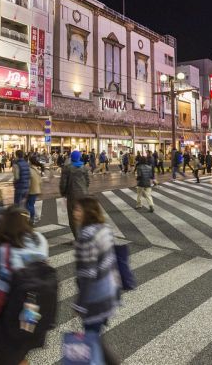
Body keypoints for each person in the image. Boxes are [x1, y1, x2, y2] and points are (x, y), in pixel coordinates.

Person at [0, 206, 51, 364]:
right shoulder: (40, 241)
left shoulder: (2, 252)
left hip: (9, 323)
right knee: (21, 354)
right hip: (33, 317)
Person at [72, 197, 121, 364]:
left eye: (78, 209)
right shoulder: (104, 229)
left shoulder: (86, 236)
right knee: (94, 338)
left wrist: (80, 304)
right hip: (108, 293)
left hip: (95, 299)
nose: (74, 213)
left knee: (91, 340)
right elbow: (112, 263)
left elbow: (88, 274)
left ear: (88, 212)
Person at [60, 149, 91, 238]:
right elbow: (88, 181)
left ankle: (78, 238)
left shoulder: (67, 168)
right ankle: (85, 236)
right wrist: (84, 189)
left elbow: (63, 183)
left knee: (73, 218)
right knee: (83, 216)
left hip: (72, 195)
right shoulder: (84, 167)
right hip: (84, 195)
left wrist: (63, 193)